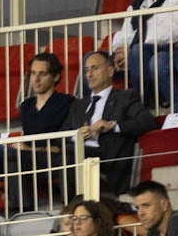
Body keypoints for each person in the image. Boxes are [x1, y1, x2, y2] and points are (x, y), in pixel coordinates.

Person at [0, 52, 79, 217]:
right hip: (29, 158)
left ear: (56, 77)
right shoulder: (26, 106)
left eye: (42, 74)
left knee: (11, 155)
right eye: (33, 74)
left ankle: (20, 211)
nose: (35, 79)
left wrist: (28, 149)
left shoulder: (68, 103)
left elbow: (63, 146)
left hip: (54, 158)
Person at [68, 51, 158, 197]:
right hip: (78, 151)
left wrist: (113, 125)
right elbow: (63, 134)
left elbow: (148, 122)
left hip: (107, 155)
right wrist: (78, 135)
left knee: (69, 158)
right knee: (19, 156)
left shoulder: (125, 97)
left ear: (110, 71)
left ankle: (74, 206)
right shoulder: (78, 105)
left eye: (95, 68)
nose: (89, 74)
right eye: (87, 70)